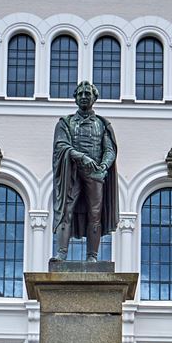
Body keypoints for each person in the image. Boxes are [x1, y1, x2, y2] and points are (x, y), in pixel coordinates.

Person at [52, 80, 118, 261]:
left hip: (95, 173)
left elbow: (109, 150)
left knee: (95, 213)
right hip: (71, 171)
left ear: (94, 98)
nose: (83, 97)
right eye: (80, 94)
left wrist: (104, 166)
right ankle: (62, 254)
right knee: (66, 210)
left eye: (87, 94)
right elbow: (61, 145)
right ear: (75, 98)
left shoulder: (102, 125)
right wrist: (81, 157)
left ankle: (92, 257)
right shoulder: (66, 122)